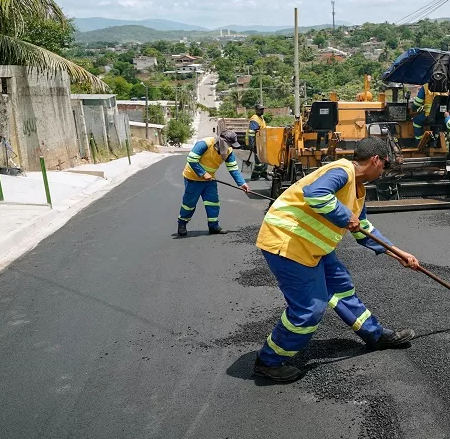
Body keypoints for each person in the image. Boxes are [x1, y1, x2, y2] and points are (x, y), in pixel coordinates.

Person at [253, 137, 420, 382]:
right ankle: (269, 361)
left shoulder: (358, 189)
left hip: (313, 246)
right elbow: (315, 194)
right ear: (375, 160)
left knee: (342, 288)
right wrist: (344, 215)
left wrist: (397, 253)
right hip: (288, 243)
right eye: (384, 165)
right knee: (309, 310)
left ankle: (375, 335)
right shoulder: (341, 170)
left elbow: (362, 228)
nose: (384, 171)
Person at [177, 130, 249, 236]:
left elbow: (233, 169)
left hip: (209, 180)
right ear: (221, 141)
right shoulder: (205, 143)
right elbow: (191, 159)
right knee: (189, 204)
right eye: (229, 144)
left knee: (213, 202)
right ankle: (182, 224)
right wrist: (203, 173)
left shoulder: (228, 151)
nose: (230, 147)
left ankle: (213, 226)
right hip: (193, 178)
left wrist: (241, 183)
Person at [248, 103, 269, 181]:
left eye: (263, 109)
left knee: (264, 159)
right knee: (259, 161)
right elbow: (251, 132)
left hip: (261, 142)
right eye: (260, 109)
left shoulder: (261, 118)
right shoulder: (254, 119)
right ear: (256, 110)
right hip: (256, 143)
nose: (262, 110)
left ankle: (263, 173)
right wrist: (251, 144)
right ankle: (255, 176)